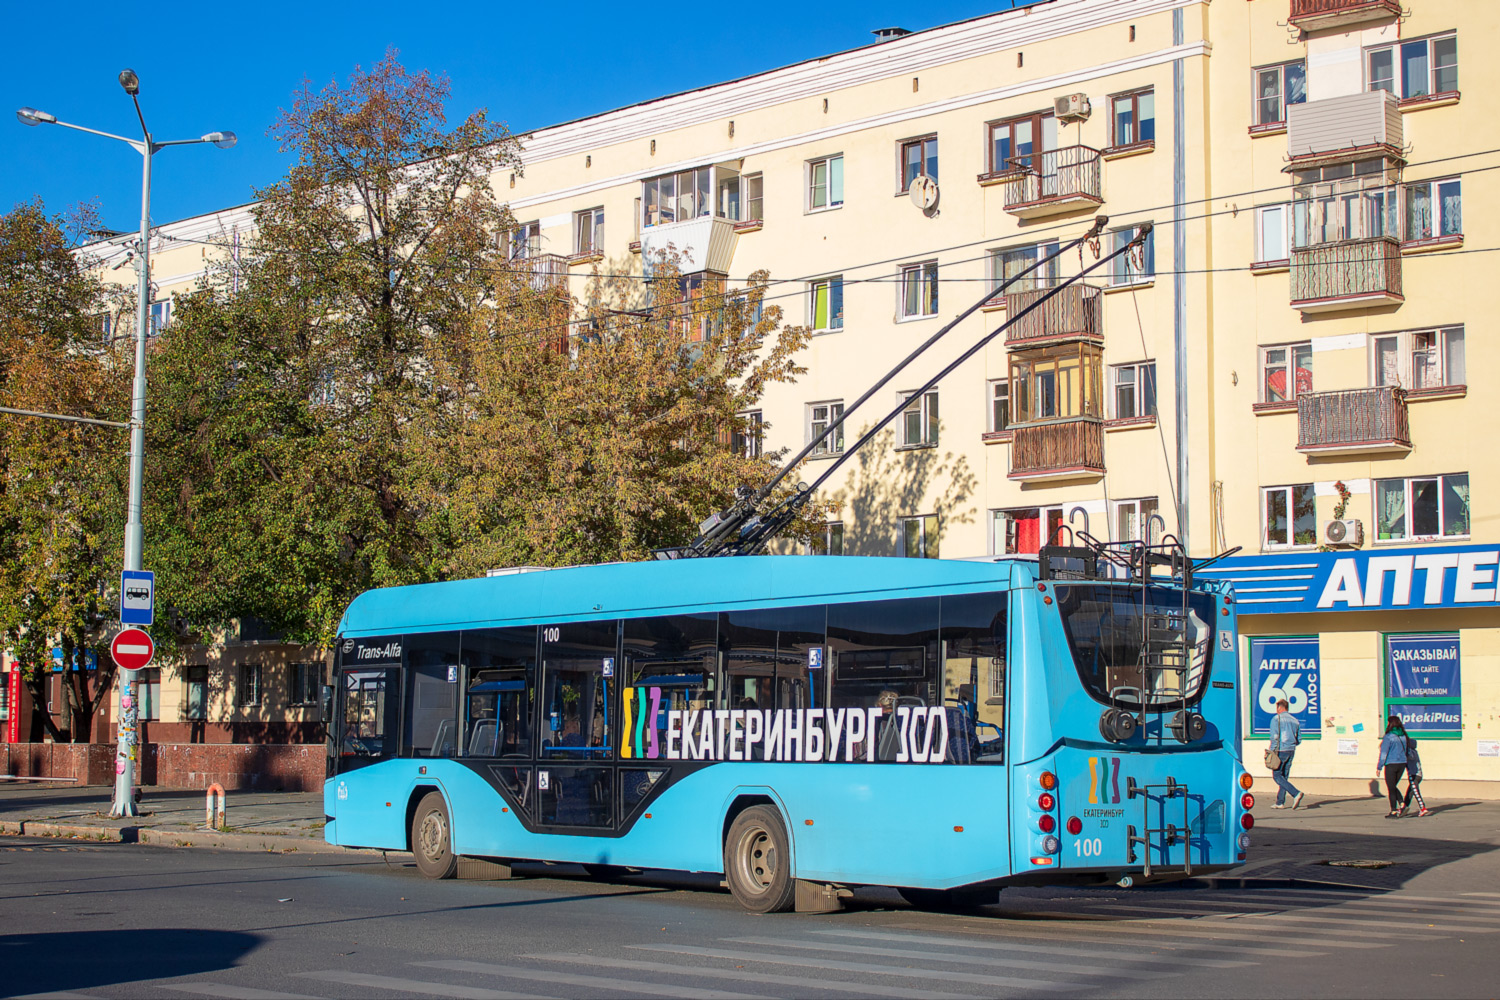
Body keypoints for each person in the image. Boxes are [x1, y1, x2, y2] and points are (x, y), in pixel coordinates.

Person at [1268, 698, 1305, 809]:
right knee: (1284, 776)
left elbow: (1275, 737)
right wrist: (1291, 744)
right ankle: (1280, 802)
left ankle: (1296, 793)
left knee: (1277, 776)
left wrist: (1271, 751)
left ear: (1280, 707)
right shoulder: (1295, 720)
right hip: (1291, 750)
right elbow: (1299, 739)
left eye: (1277, 708)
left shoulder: (1276, 719)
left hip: (1280, 750)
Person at [1376, 715, 1409, 817]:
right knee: (1393, 786)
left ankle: (1394, 810)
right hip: (1402, 763)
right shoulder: (1403, 736)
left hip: (1391, 763)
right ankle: (1402, 804)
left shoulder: (1389, 736)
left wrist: (1379, 766)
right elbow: (1406, 750)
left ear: (1390, 724)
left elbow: (1384, 753)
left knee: (1391, 787)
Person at [1401, 732, 1430, 818]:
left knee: (1416, 792)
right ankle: (1404, 807)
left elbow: (1410, 756)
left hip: (1414, 775)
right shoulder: (1415, 752)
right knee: (1410, 792)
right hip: (1418, 775)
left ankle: (1422, 807)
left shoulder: (1411, 752)